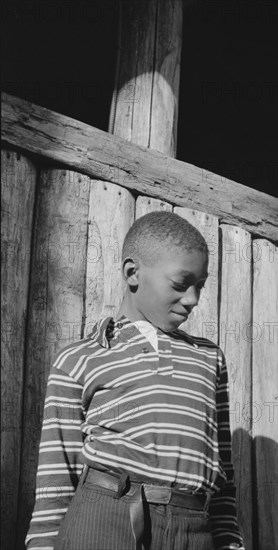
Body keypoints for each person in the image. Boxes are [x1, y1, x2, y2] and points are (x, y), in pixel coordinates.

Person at [26, 211, 244, 550]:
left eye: (199, 286)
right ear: (132, 273)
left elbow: (224, 474)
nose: (193, 299)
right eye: (180, 283)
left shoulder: (208, 358)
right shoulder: (79, 359)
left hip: (193, 530)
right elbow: (56, 478)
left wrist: (229, 541)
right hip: (102, 522)